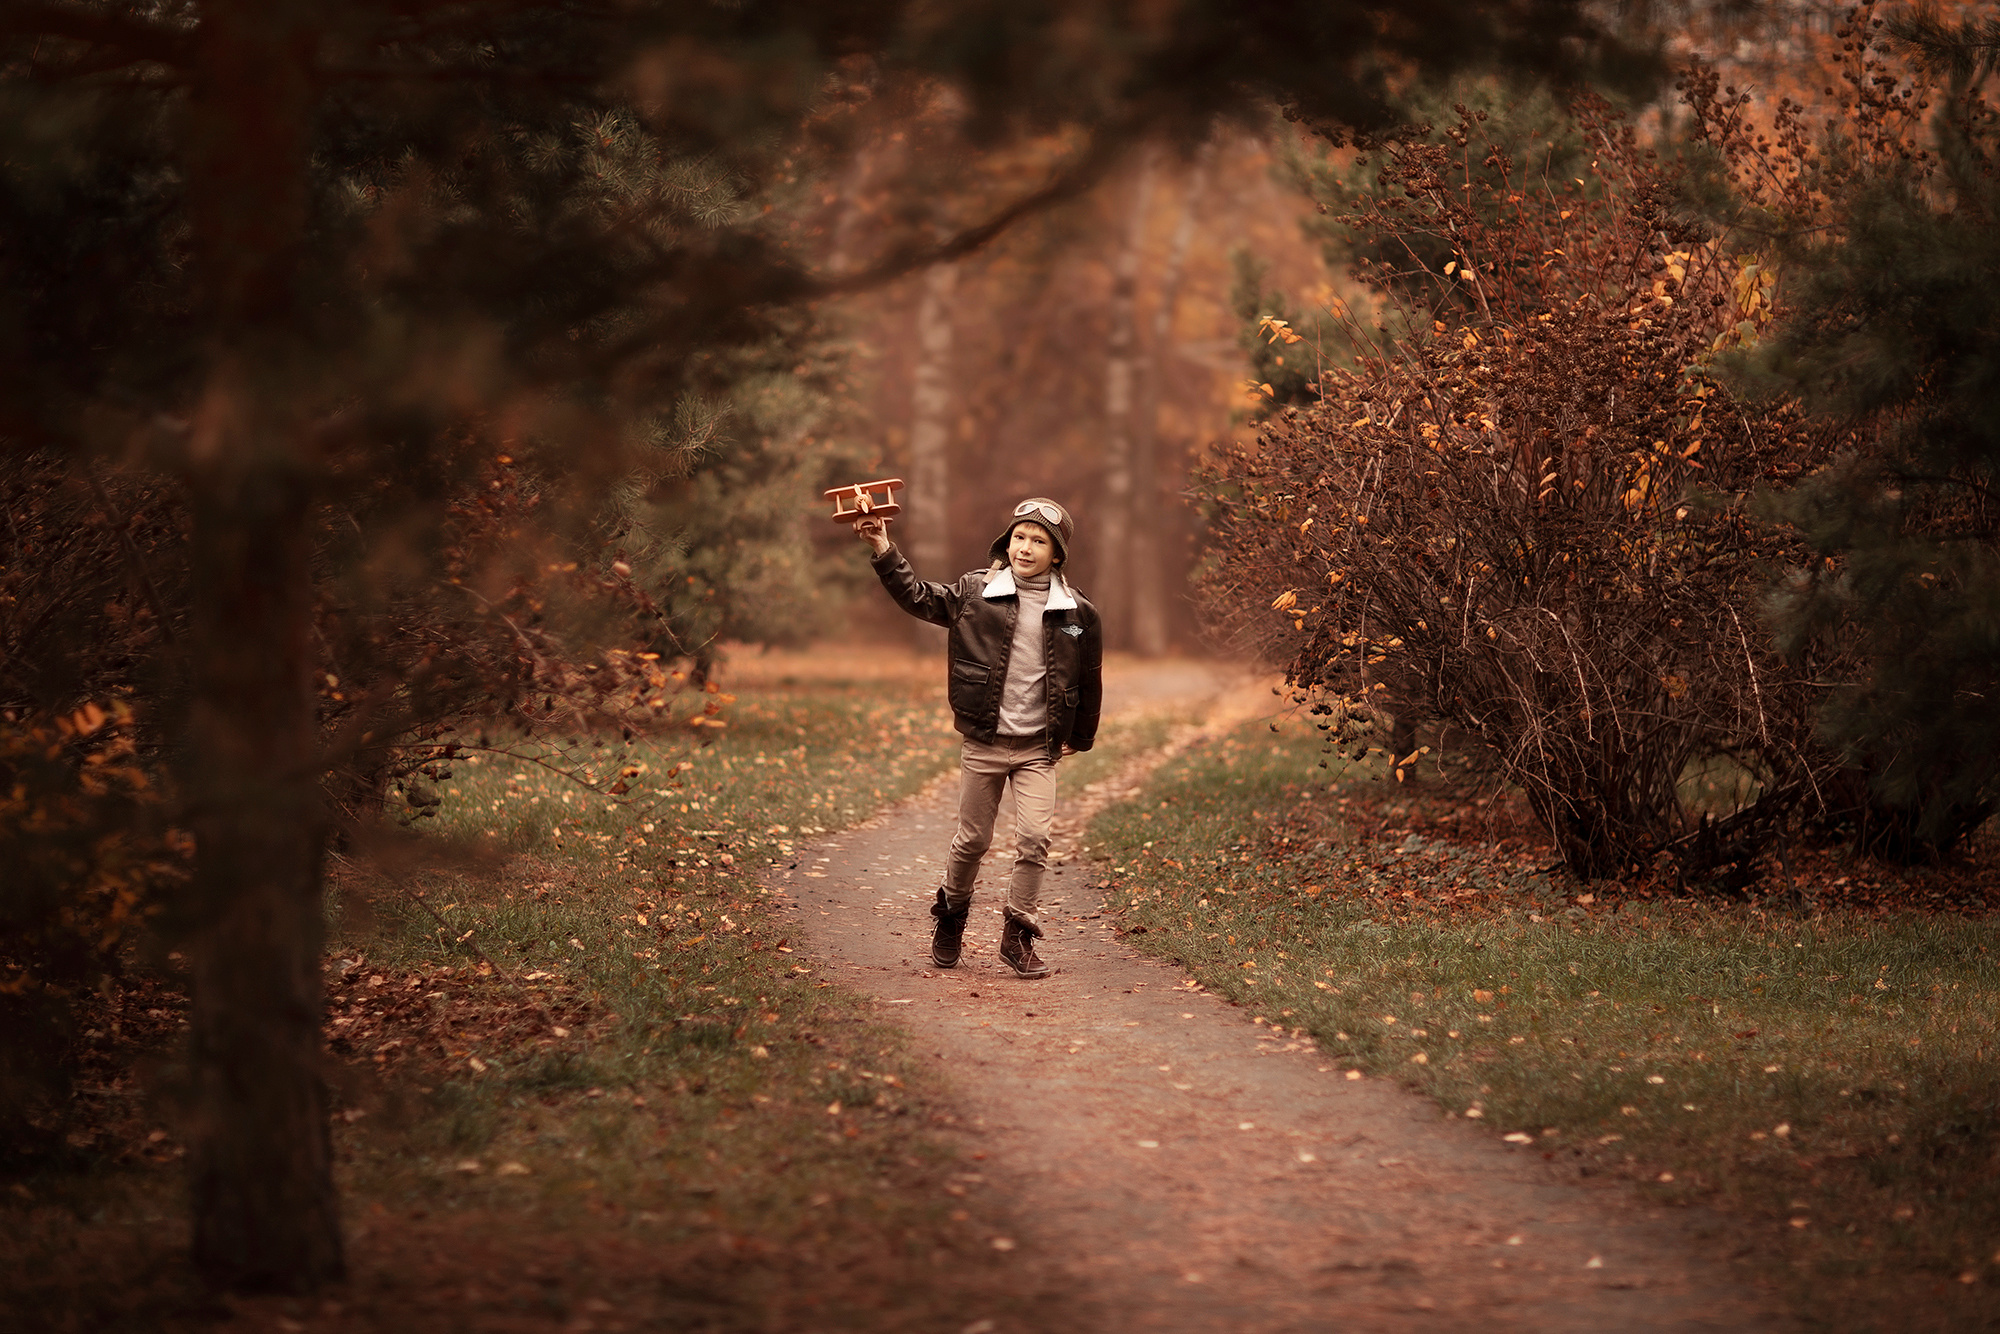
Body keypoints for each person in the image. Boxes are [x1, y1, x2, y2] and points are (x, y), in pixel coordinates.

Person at [853, 498, 1102, 979]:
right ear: (1006, 542)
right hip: (985, 741)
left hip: (1037, 748)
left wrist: (1082, 736)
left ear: (1058, 554)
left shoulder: (1077, 612)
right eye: (1019, 538)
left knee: (1035, 838)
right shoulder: (975, 592)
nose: (1025, 548)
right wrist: (882, 546)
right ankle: (951, 918)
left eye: (1038, 541)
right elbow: (917, 595)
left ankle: (1018, 934)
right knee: (972, 841)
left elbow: (1089, 676)